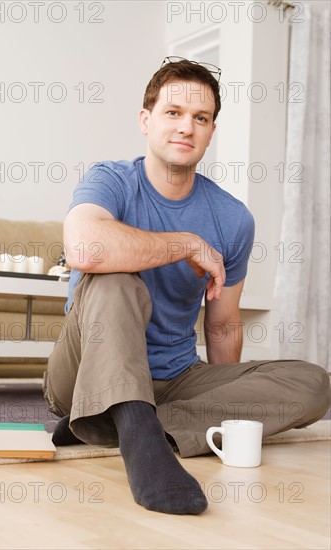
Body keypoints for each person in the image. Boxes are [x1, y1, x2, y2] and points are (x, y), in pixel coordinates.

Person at [43, 57, 331, 516]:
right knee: (115, 277)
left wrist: (228, 411)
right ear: (146, 120)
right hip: (83, 372)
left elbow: (222, 326)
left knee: (314, 382)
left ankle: (120, 422)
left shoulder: (233, 218)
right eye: (173, 112)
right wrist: (184, 244)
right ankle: (136, 435)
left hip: (175, 379)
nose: (186, 127)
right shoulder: (110, 180)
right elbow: (86, 249)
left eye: (200, 118)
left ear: (211, 132)